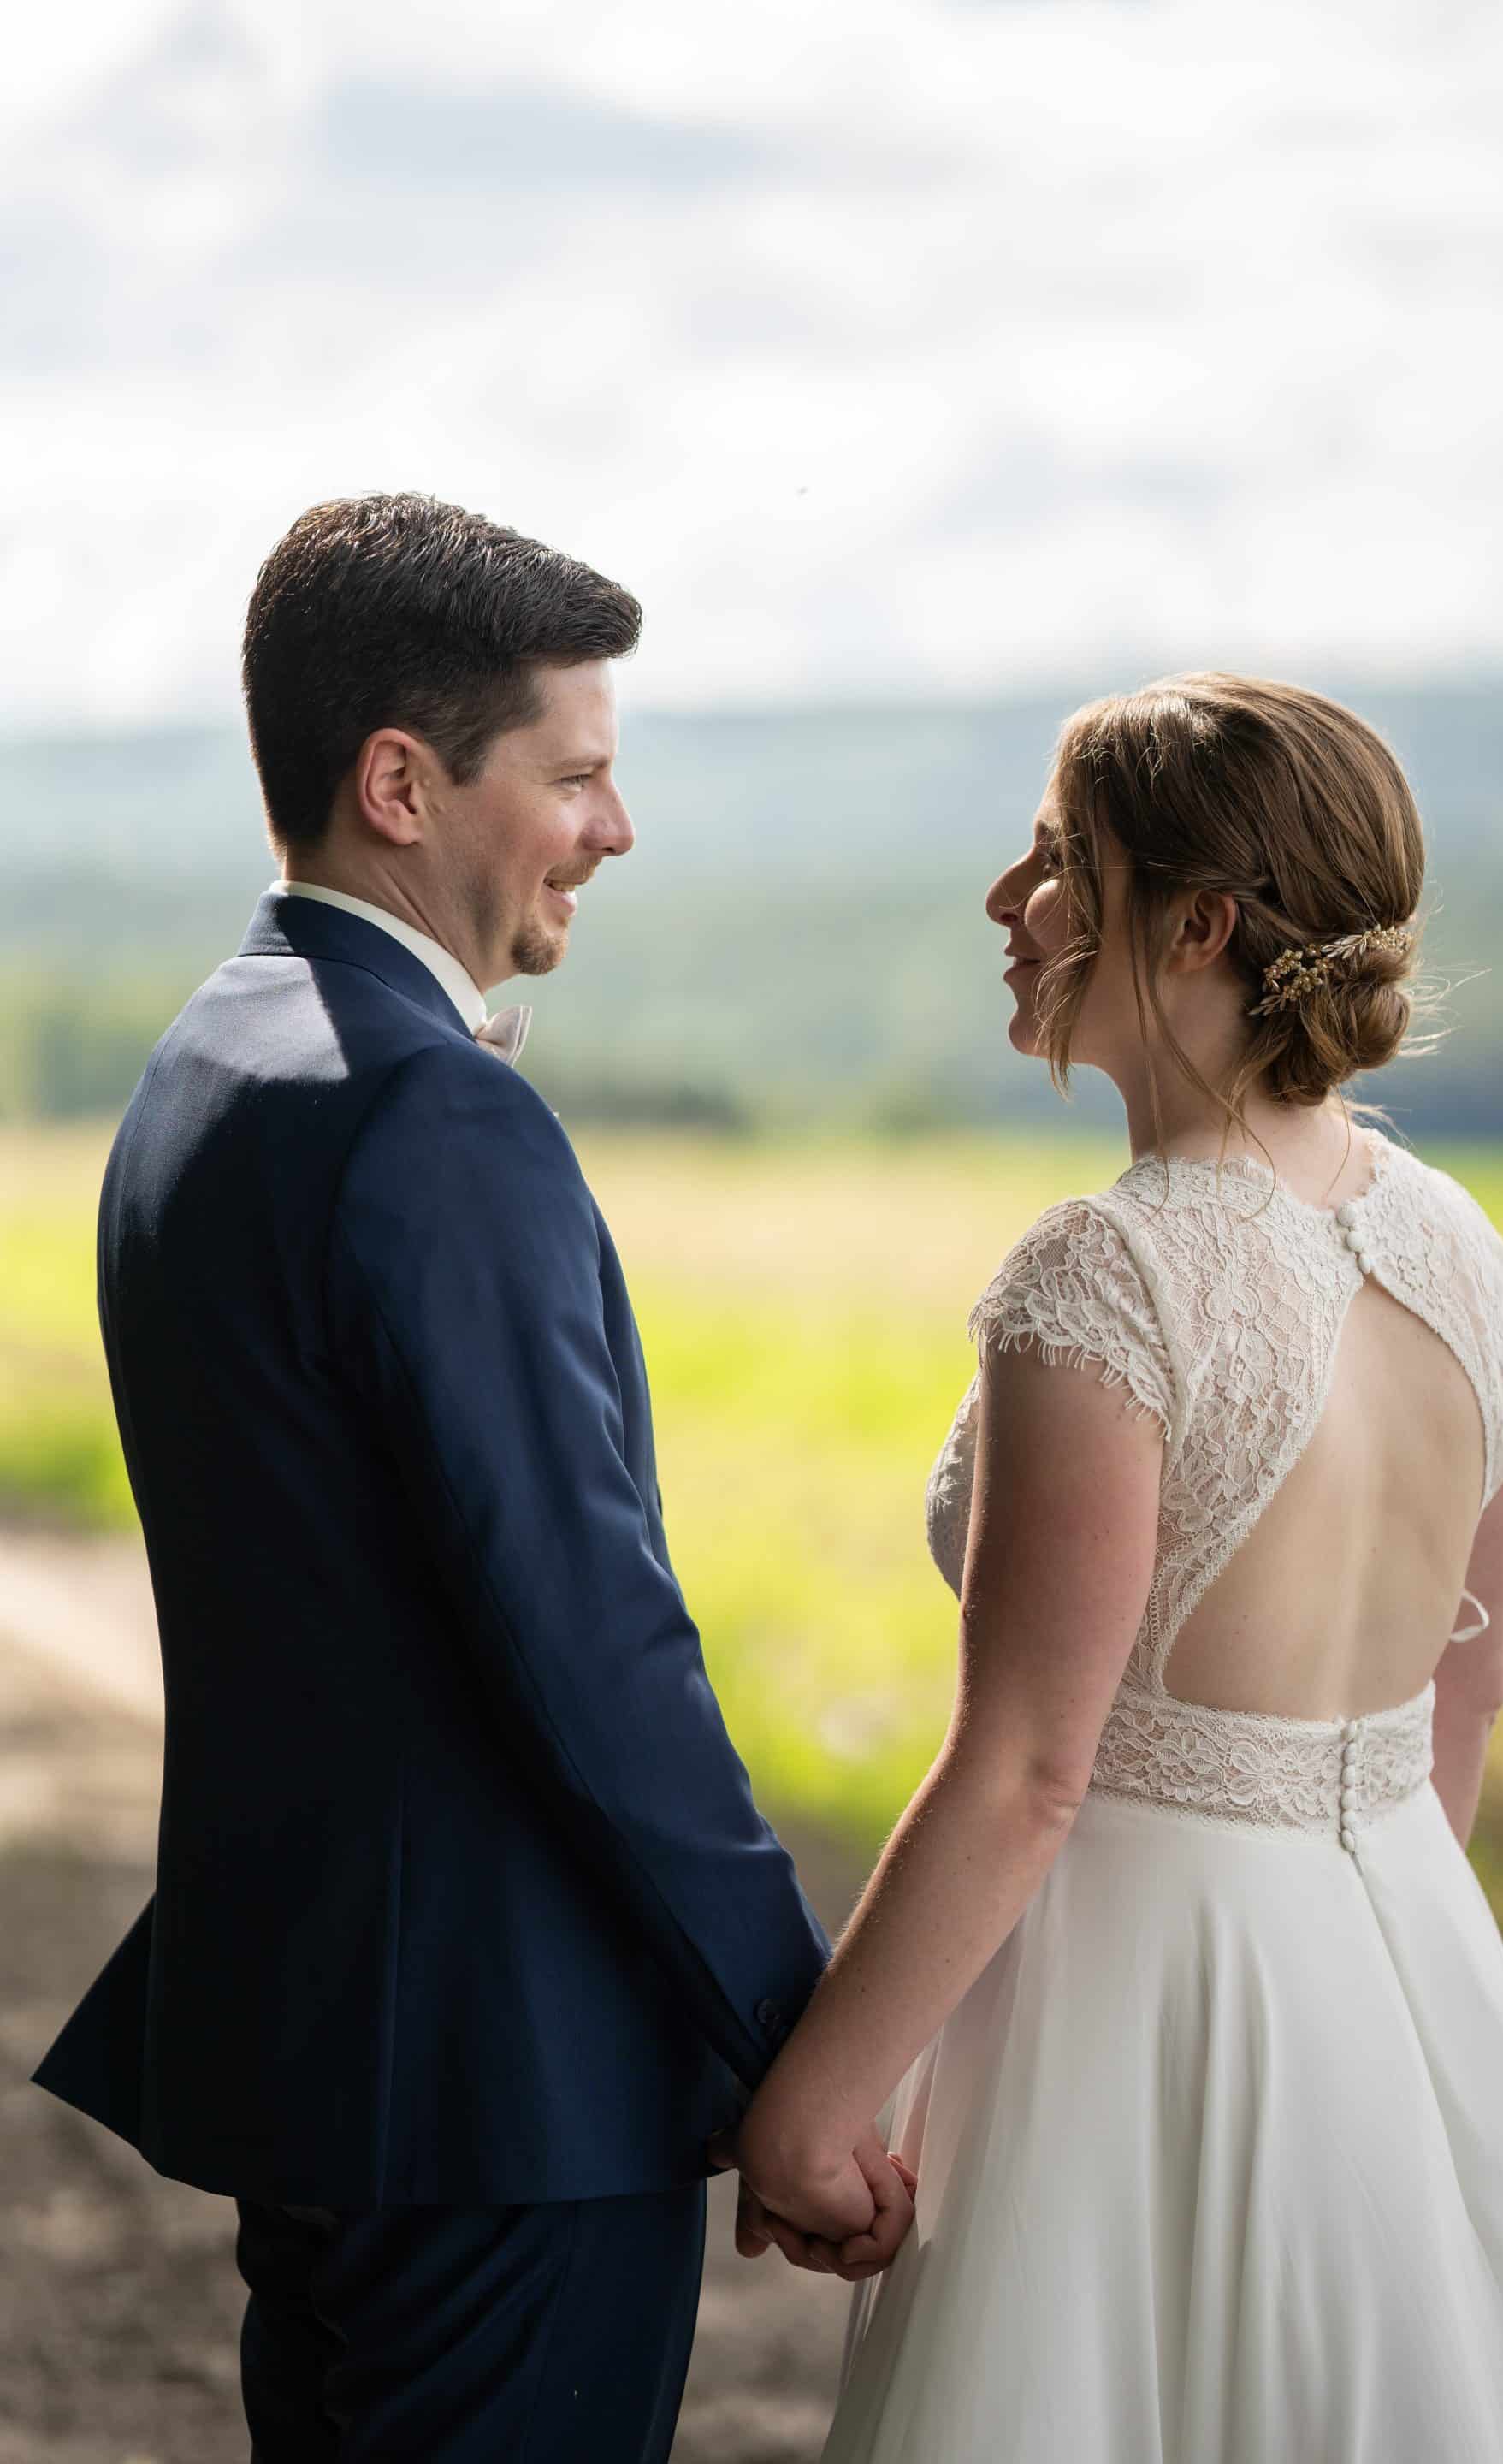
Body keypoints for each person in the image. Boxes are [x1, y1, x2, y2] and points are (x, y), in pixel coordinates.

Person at [30, 490, 913, 2463]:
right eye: (578, 774)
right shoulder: (436, 1112)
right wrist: (798, 2045)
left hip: (326, 2069)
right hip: (507, 2098)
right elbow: (588, 1638)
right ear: (403, 784)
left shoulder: (204, 1071)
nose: (616, 828)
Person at [720, 673, 1503, 2458]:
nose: (1010, 900)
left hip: (1132, 2014)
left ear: (1199, 923)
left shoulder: (1109, 1278)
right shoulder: (1463, 1247)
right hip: (1401, 1964)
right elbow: (1468, 1684)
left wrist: (810, 2114)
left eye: (1062, 858)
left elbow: (1026, 1768)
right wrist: (1359, 1972)